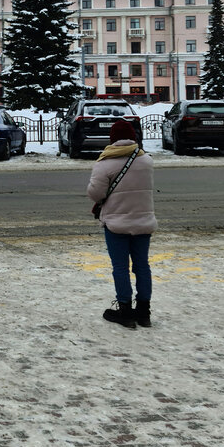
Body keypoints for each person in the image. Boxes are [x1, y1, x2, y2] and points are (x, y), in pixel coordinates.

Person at [87, 118, 157, 329]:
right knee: (142, 266)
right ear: (134, 137)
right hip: (143, 221)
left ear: (112, 139)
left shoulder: (104, 163)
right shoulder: (147, 161)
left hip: (116, 223)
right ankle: (144, 312)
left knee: (120, 267)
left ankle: (125, 310)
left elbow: (95, 193)